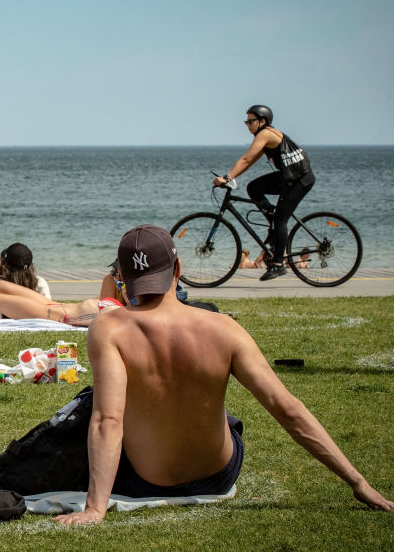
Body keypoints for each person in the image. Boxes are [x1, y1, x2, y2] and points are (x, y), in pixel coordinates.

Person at [56, 225, 393, 526]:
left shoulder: (108, 329)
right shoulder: (224, 328)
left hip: (148, 480)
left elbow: (107, 422)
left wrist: (95, 509)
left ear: (123, 279)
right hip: (217, 476)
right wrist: (357, 482)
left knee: (96, 402)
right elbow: (286, 408)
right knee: (222, 416)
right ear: (178, 269)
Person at [213, 105, 315, 282]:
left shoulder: (266, 134)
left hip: (300, 179)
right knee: (254, 188)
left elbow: (246, 159)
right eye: (246, 121)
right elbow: (249, 161)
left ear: (262, 121)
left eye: (250, 121)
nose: (247, 125)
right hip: (289, 176)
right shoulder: (265, 137)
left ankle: (278, 264)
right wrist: (231, 177)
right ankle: (274, 230)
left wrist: (227, 177)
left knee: (280, 220)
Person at [0, 243, 52, 320]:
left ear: (4, 265)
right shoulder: (39, 283)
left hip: (0, 321)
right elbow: (49, 314)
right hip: (31, 320)